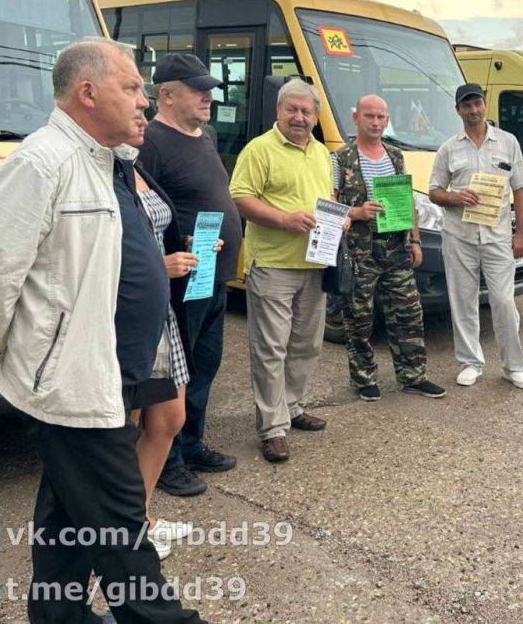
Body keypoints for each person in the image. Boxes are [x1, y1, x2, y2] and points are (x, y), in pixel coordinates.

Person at [0, 39, 202, 622]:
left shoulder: (106, 160)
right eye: (132, 88)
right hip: (72, 386)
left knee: (65, 518)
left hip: (112, 373)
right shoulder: (41, 163)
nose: (145, 102)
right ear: (87, 93)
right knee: (127, 550)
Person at [136, 53, 242, 498]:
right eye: (199, 90)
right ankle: (169, 459)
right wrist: (170, 255)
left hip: (213, 276)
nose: (209, 98)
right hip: (180, 279)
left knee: (205, 364)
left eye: (211, 90)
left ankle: (192, 443)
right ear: (166, 94)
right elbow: (142, 212)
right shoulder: (152, 142)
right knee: (176, 375)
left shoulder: (205, 135)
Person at [230, 79, 334, 463]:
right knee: (271, 348)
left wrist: (338, 220)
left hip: (314, 263)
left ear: (316, 116)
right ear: (278, 111)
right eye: (292, 109)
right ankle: (272, 428)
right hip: (273, 264)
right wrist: (284, 219)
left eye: (307, 111)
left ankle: (293, 406)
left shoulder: (322, 153)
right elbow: (240, 197)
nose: (300, 117)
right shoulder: (259, 150)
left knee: (306, 344)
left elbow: (327, 198)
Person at [333, 94, 446, 401]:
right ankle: (364, 378)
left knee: (409, 312)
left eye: (382, 117)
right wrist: (356, 212)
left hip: (396, 247)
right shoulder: (341, 158)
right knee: (359, 318)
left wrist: (415, 240)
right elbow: (328, 204)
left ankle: (413, 375)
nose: (377, 123)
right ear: (356, 118)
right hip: (360, 251)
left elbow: (407, 200)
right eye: (370, 116)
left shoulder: (395, 156)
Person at [429, 83, 523, 390]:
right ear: (458, 110)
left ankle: (513, 366)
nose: (473, 110)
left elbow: (520, 189)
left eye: (478, 104)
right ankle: (470, 362)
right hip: (459, 236)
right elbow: (434, 191)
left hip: (497, 236)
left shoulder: (507, 142)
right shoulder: (449, 148)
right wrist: (455, 197)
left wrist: (521, 233)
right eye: (467, 105)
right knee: (463, 301)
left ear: (485, 105)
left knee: (503, 301)